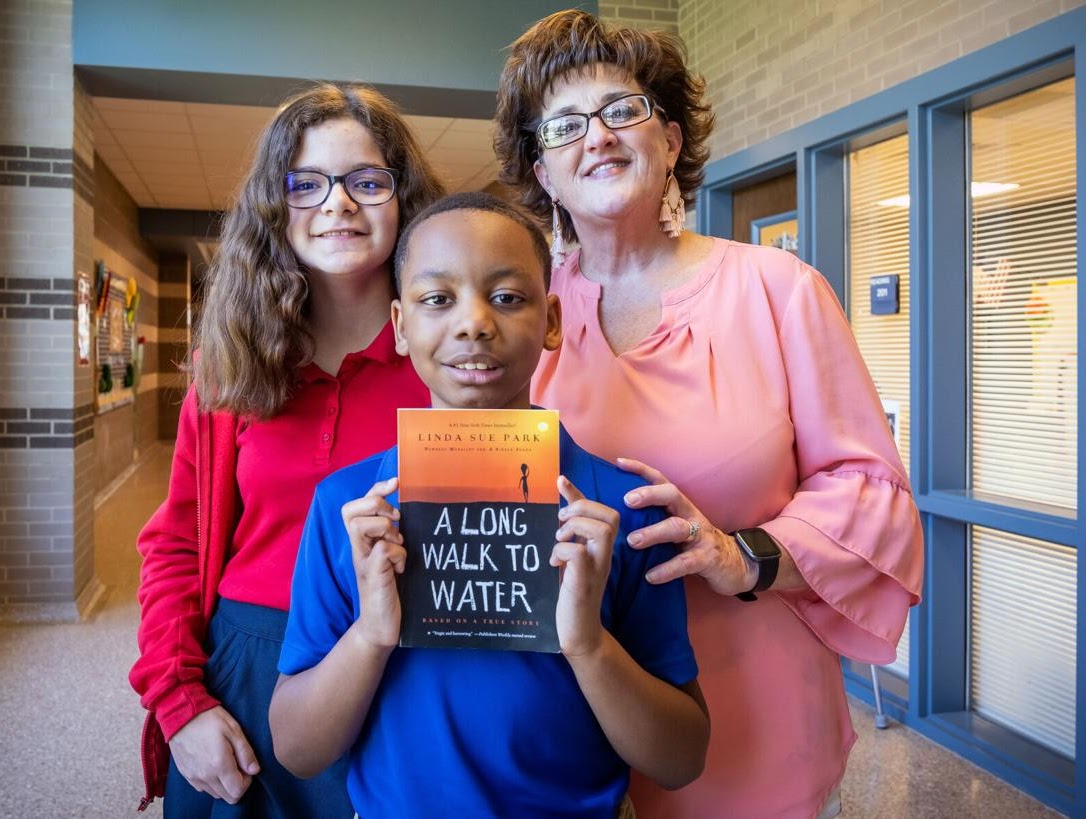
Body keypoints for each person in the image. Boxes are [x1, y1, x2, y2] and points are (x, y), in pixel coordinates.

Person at [493, 10, 925, 819]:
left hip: (752, 729)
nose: (600, 137)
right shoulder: (520, 310)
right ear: (542, 171)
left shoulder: (778, 289)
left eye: (625, 109)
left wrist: (743, 553)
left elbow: (875, 492)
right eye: (566, 124)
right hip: (569, 732)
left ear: (669, 140)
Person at [269, 192, 710, 818]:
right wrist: (370, 634)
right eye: (437, 299)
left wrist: (587, 643)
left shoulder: (622, 513)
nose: (474, 322)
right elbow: (297, 749)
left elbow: (681, 758)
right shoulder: (350, 511)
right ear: (398, 325)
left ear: (552, 318)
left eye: (507, 297)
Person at [129, 82, 444, 816]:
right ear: (277, 204)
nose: (338, 203)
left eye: (367, 181)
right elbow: (175, 541)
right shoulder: (229, 363)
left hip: (405, 664)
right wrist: (180, 704)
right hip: (249, 670)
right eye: (307, 184)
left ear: (405, 200)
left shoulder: (448, 362)